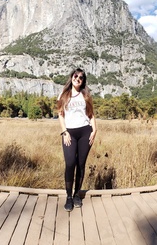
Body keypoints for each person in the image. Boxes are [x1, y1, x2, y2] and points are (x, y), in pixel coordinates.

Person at [57, 68, 97, 211]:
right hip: (70, 133)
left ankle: (76, 195)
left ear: (83, 81)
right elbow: (60, 115)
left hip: (85, 131)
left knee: (80, 164)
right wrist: (64, 132)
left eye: (81, 77)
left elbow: (91, 114)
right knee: (70, 163)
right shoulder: (64, 94)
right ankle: (68, 196)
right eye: (76, 76)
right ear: (71, 77)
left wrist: (94, 129)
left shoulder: (85, 95)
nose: (78, 79)